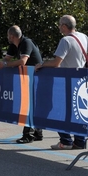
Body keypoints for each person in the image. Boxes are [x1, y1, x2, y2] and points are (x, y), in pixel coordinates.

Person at [35, 15, 88, 150]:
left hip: (65, 81)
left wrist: (42, 64)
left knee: (59, 111)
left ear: (64, 26)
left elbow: (56, 63)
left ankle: (65, 141)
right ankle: (80, 141)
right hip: (80, 80)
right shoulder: (84, 37)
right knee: (77, 112)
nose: (59, 27)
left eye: (60, 25)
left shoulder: (66, 40)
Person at [0, 25, 44, 144]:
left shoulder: (26, 42)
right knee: (31, 104)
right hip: (27, 77)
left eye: (8, 36)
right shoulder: (13, 45)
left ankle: (28, 135)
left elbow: (23, 62)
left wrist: (5, 65)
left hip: (37, 76)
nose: (8, 37)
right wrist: (2, 62)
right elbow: (7, 59)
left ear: (12, 36)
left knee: (30, 105)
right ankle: (38, 132)